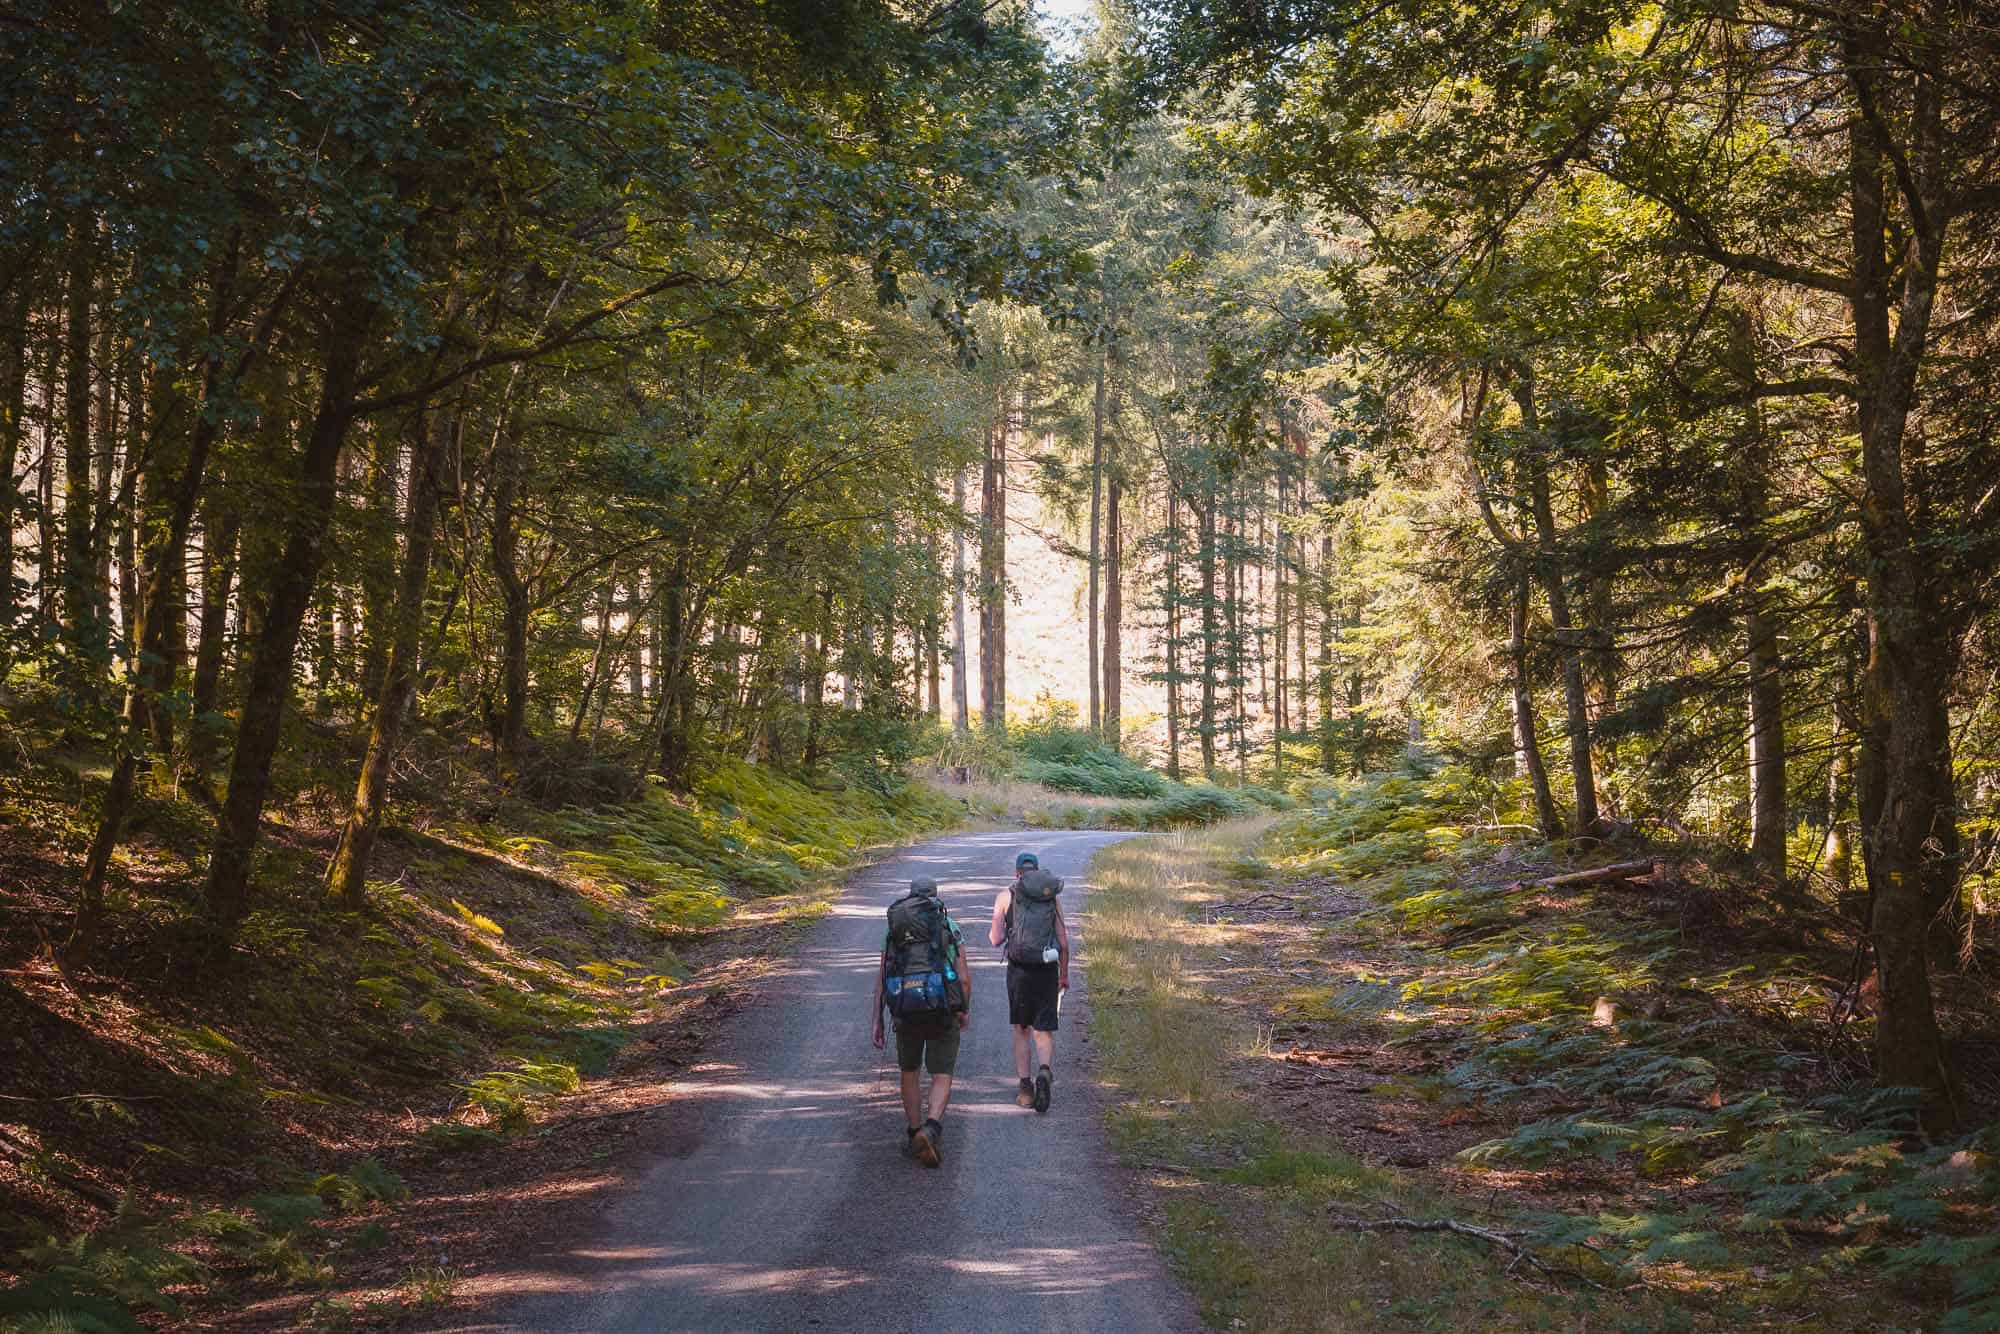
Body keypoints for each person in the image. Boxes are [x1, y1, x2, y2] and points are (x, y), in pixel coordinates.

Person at [871, 876, 970, 1166]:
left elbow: (882, 978)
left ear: (910, 896)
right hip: (942, 1008)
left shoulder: (893, 930)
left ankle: (914, 1131)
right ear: (935, 896)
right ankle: (932, 1127)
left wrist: (877, 1019)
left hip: (905, 1007)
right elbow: (963, 977)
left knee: (909, 1069)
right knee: (942, 1072)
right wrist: (964, 1010)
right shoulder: (949, 927)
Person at [990, 850, 1068, 1114]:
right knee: (1042, 1029)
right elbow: (1064, 943)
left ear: (1017, 873)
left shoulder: (1006, 896)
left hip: (1019, 970)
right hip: (1046, 969)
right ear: (1037, 870)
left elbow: (994, 939)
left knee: (1022, 1029)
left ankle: (1025, 1089)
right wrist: (1064, 975)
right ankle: (1044, 1071)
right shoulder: (1051, 898)